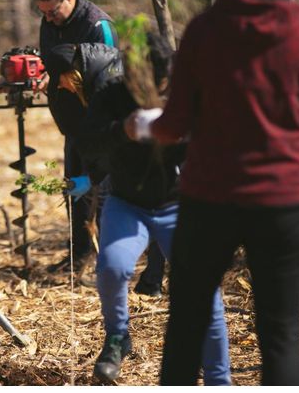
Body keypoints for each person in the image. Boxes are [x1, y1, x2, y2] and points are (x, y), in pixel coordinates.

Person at [144, 0, 299, 385]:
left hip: (210, 195)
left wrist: (141, 125)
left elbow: (175, 124)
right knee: (282, 331)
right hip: (285, 199)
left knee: (186, 323)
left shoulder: (205, 30)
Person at [76, 33, 231, 384]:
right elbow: (86, 140)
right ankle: (118, 336)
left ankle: (220, 378)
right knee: (113, 267)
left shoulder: (187, 91)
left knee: (206, 291)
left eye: (158, 85)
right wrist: (122, 131)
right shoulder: (112, 94)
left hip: (183, 205)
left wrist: (182, 135)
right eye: (140, 85)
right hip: (128, 202)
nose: (150, 93)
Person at [32, 0, 133, 277]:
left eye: (52, 11)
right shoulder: (50, 21)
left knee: (102, 188)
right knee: (74, 186)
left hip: (100, 124)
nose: (48, 18)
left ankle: (108, 258)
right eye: (43, 12)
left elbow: (111, 75)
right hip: (72, 122)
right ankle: (78, 255)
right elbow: (52, 61)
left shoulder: (97, 25)